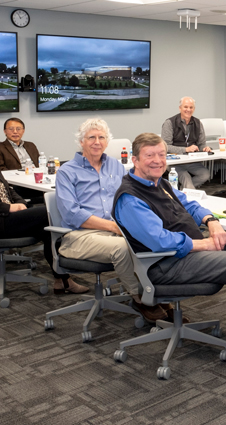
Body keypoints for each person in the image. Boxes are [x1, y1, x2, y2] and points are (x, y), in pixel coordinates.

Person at [113, 132, 226, 376]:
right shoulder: (130, 198)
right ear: (135, 160)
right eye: (149, 156)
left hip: (189, 254)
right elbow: (159, 241)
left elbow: (190, 204)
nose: (157, 160)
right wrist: (204, 245)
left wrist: (212, 220)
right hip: (165, 265)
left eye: (161, 155)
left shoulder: (161, 183)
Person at [0, 123, 87, 296]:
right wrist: (9, 207)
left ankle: (62, 279)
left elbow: (10, 191)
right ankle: (79, 261)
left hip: (7, 219)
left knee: (49, 228)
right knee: (49, 212)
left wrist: (22, 205)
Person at [55, 119, 167, 322]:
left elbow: (132, 194)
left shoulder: (116, 166)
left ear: (107, 142)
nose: (97, 142)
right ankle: (140, 298)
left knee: (154, 238)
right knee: (123, 247)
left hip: (116, 231)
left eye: (101, 137)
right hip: (78, 236)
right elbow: (72, 214)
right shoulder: (66, 172)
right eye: (91, 137)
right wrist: (112, 227)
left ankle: (158, 293)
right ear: (81, 142)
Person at [160, 96, 212, 189]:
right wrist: (185, 149)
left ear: (194, 109)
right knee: (185, 177)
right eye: (185, 107)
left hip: (191, 160)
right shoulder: (169, 123)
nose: (188, 109)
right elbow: (165, 146)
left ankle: (182, 190)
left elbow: (201, 143)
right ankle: (188, 195)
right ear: (180, 108)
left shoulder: (198, 123)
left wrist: (205, 148)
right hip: (174, 161)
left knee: (205, 174)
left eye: (191, 107)